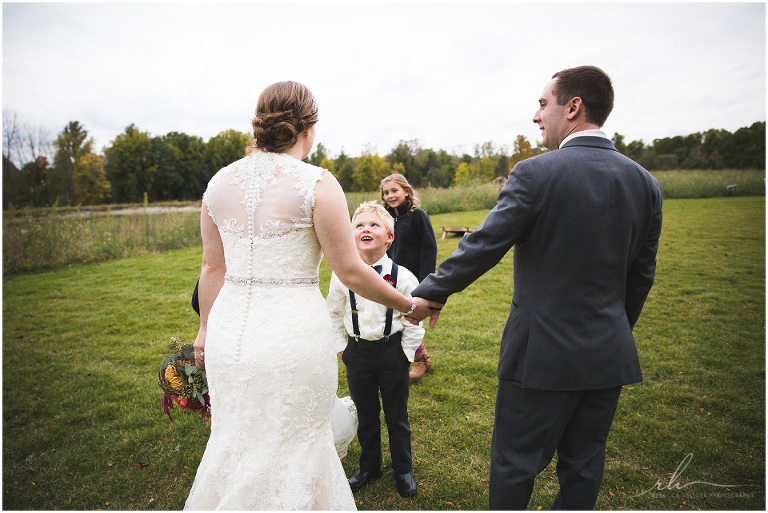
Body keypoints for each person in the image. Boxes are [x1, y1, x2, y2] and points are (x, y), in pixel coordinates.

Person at [409, 66, 663, 509]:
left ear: (573, 107)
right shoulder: (646, 184)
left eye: (543, 104)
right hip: (609, 352)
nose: (536, 115)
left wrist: (431, 290)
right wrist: (613, 328)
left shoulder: (533, 174)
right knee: (584, 467)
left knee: (515, 462)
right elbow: (641, 276)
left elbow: (485, 243)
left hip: (540, 352)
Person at [184, 80, 435, 510]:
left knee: (236, 437)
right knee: (296, 441)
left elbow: (212, 268)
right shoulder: (317, 183)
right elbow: (351, 270)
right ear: (309, 128)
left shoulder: (219, 183)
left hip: (230, 333)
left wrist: (205, 328)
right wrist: (409, 305)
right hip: (292, 334)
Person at [327, 201, 424, 498]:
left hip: (391, 352)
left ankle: (402, 468)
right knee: (367, 413)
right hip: (357, 353)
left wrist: (406, 354)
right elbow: (332, 313)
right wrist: (343, 349)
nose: (366, 229)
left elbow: (414, 320)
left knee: (397, 415)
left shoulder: (404, 277)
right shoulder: (341, 275)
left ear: (389, 237)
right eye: (359, 225)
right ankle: (370, 466)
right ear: (351, 235)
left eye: (374, 225)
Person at [381, 174, 438, 381]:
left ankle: (420, 358)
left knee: (410, 318)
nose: (390, 196)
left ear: (406, 191)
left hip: (414, 279)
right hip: (391, 277)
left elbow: (429, 249)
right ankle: (406, 357)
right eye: (386, 192)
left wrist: (426, 283)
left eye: (394, 190)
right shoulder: (386, 220)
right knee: (393, 316)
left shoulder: (418, 216)